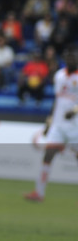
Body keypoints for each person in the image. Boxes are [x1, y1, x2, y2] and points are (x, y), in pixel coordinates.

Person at [24, 47, 78, 202]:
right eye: (68, 58)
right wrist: (49, 122)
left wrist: (75, 110)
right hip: (59, 125)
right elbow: (57, 100)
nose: (71, 60)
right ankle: (39, 193)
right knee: (48, 155)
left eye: (74, 57)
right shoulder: (59, 76)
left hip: (75, 126)